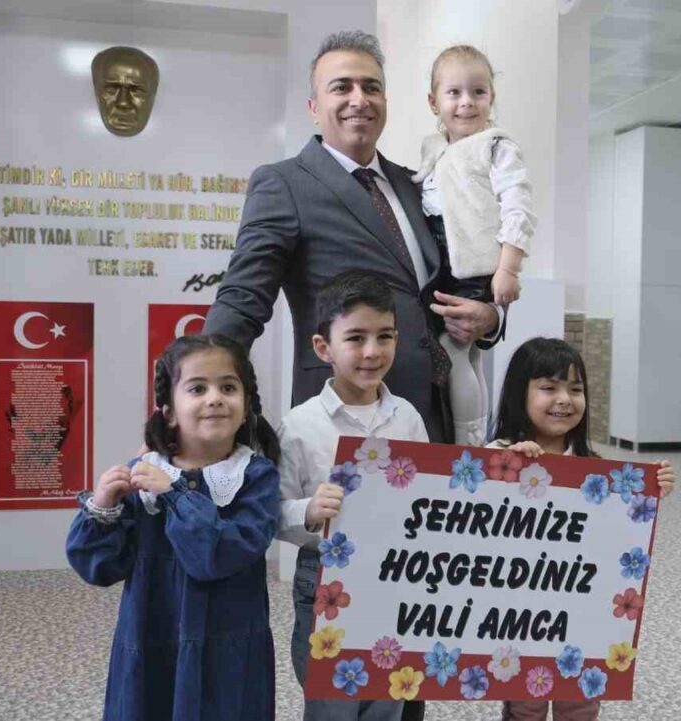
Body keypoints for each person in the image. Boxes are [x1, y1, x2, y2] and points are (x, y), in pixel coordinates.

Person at [204, 30, 505, 444]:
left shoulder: (418, 183)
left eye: (371, 87)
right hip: (341, 424)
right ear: (314, 107)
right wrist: (194, 390)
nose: (359, 99)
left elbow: (461, 271)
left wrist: (490, 318)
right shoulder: (284, 184)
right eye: (341, 87)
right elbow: (241, 300)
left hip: (433, 416)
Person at [66, 334, 280, 720]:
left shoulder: (256, 476)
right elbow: (98, 567)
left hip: (228, 654)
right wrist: (102, 507)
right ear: (168, 411)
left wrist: (176, 495)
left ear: (247, 405)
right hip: (152, 641)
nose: (215, 398)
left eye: (228, 387)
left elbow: (217, 555)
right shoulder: (142, 474)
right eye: (197, 388)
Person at [487, 337, 675, 721]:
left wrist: (649, 490)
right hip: (518, 616)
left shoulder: (595, 467)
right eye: (548, 387)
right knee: (524, 704)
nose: (565, 399)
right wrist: (505, 468)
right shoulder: (496, 454)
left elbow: (617, 535)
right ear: (519, 394)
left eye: (576, 389)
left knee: (580, 702)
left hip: (580, 613)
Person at [276, 271, 429, 721]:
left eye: (385, 336)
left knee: (387, 699)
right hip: (325, 577)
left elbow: (429, 497)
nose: (372, 351)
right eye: (356, 338)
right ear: (323, 347)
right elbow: (273, 512)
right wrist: (308, 510)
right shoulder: (300, 426)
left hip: (394, 579)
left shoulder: (408, 418)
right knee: (332, 706)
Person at [413, 44, 535, 446]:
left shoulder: (497, 146)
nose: (466, 102)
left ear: (491, 98)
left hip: (474, 266)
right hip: (444, 262)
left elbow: (518, 208)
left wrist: (508, 269)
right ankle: (474, 436)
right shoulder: (435, 149)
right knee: (471, 353)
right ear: (434, 101)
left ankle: (469, 442)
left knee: (453, 347)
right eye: (454, 92)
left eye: (478, 92)